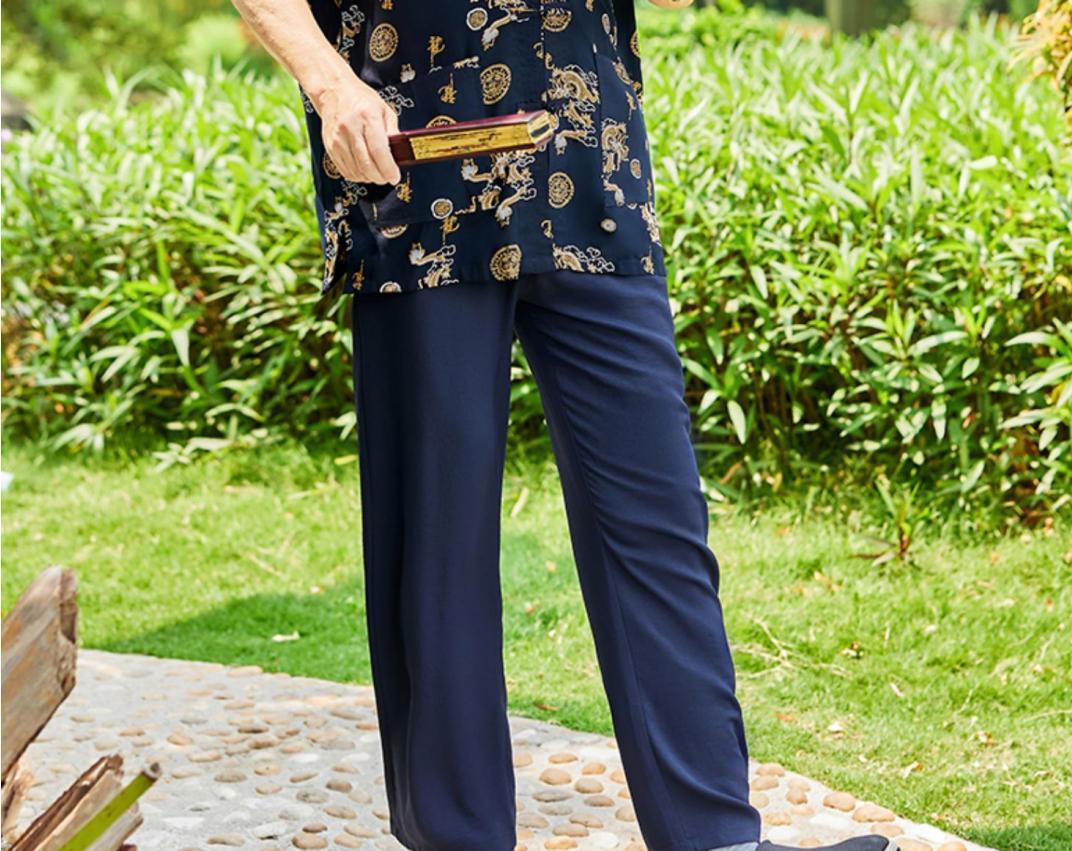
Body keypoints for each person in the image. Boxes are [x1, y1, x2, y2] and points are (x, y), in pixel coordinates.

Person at [230, 2, 895, 850]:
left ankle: (715, 837)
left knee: (658, 522)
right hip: (419, 170)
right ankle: (459, 838)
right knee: (438, 537)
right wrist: (329, 85)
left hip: (591, 163)